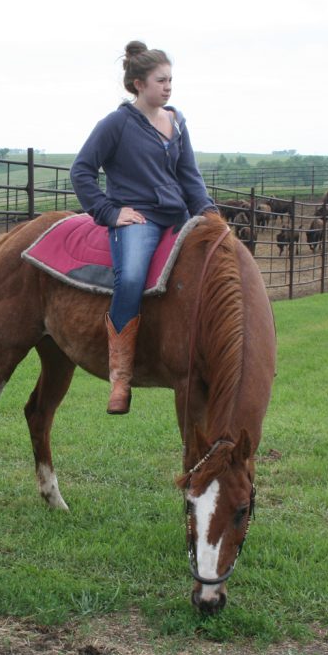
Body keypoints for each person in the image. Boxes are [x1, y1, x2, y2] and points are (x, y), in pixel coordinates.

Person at [70, 40, 218, 415]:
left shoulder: (177, 121)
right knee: (132, 277)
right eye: (160, 80)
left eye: (170, 80)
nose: (167, 87)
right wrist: (108, 211)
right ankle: (120, 376)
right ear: (138, 83)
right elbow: (81, 170)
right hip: (138, 220)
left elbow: (189, 175)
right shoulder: (116, 124)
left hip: (178, 215)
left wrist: (208, 213)